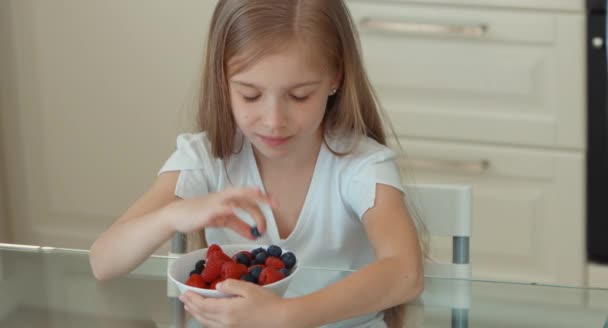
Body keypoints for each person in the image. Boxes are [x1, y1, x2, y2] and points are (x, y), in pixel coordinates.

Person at [89, 0, 424, 327]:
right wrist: (172, 216)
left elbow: (406, 273)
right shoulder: (206, 157)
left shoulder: (362, 165)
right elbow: (103, 260)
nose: (274, 120)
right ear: (223, 80)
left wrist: (285, 316)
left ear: (336, 77)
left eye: (299, 95)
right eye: (250, 95)